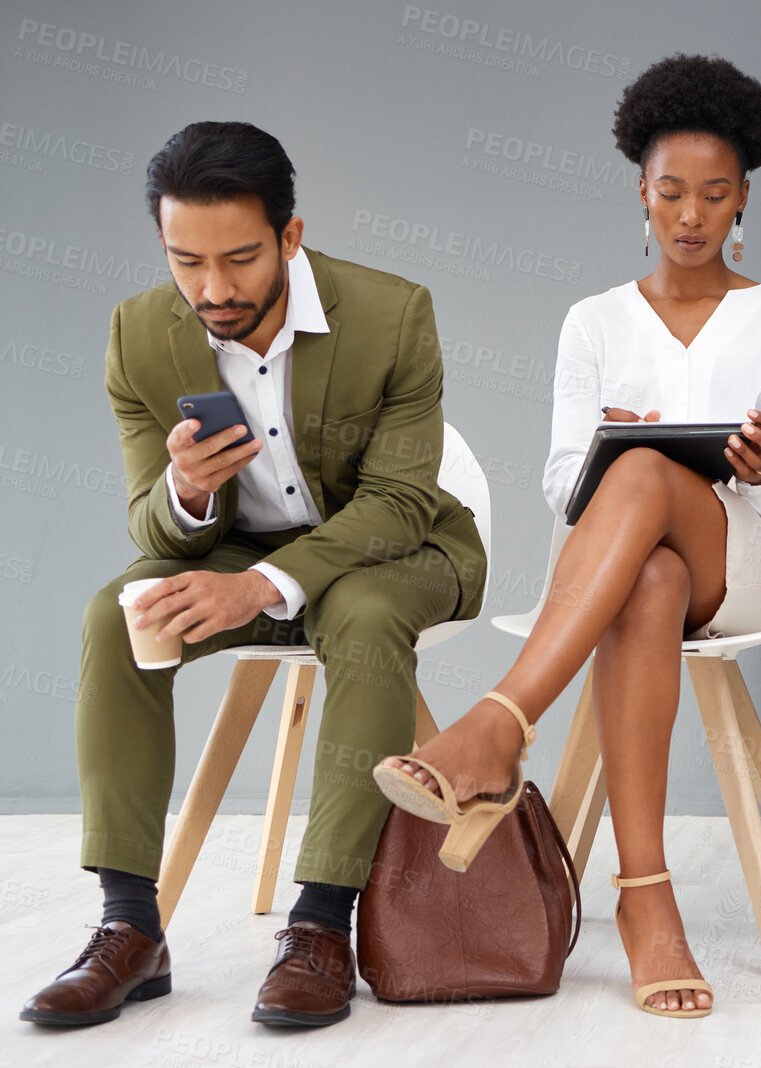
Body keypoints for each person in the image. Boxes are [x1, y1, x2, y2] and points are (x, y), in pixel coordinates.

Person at [373, 54, 761, 1020]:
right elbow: (556, 485)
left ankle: (497, 724)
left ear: (745, 196)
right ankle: (645, 900)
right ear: (641, 192)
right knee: (647, 572)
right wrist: (605, 466)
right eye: (672, 193)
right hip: (624, 567)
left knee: (646, 478)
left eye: (714, 195)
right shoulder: (592, 321)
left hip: (752, 561)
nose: (692, 216)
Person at [20, 122, 486, 1029]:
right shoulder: (139, 334)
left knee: (359, 613)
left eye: (238, 259)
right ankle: (129, 928)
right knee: (117, 615)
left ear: (290, 236)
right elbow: (146, 522)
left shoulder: (393, 314)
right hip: (233, 550)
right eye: (185, 260)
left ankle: (320, 925)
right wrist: (185, 493)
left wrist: (263, 587)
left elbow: (396, 499)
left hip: (396, 550)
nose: (212, 289)